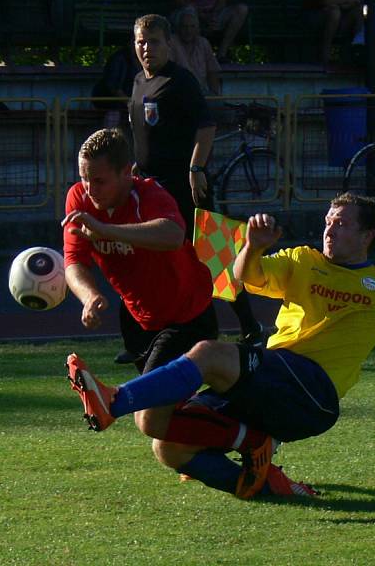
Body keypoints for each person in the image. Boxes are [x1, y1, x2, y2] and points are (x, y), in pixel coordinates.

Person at [66, 192, 375, 500]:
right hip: (271, 378)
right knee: (164, 441)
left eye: (341, 225)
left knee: (208, 353)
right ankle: (265, 480)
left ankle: (115, 400)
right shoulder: (303, 261)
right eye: (328, 221)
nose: (329, 229)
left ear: (367, 236)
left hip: (313, 393)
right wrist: (253, 245)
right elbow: (245, 277)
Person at [62, 128, 273, 471]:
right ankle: (231, 447)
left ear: (126, 173)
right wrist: (89, 296)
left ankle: (251, 440)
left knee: (148, 418)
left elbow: (172, 234)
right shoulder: (79, 198)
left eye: (98, 181)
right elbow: (74, 261)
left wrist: (105, 230)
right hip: (138, 320)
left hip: (186, 316)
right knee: (167, 418)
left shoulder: (150, 195)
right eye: (84, 178)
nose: (89, 189)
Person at [130, 13, 265, 349]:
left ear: (169, 44)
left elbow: (206, 127)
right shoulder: (138, 81)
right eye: (141, 42)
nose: (147, 48)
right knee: (159, 262)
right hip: (151, 187)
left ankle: (250, 326)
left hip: (185, 185)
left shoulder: (181, 81)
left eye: (154, 41)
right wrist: (136, 166)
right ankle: (157, 335)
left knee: (215, 257)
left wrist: (195, 169)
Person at [173, 0, 248, 63]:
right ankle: (196, 56)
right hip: (192, 15)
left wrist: (214, 16)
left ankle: (222, 54)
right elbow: (180, 0)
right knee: (189, 13)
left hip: (213, 14)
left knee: (241, 9)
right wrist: (201, 16)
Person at [302, 0, 364, 66]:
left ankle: (357, 53)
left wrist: (339, 3)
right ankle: (325, 54)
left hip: (340, 16)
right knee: (334, 12)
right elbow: (324, 0)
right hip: (315, 16)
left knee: (358, 11)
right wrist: (345, 1)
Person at [170, 5, 222, 95]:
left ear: (198, 28)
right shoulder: (171, 42)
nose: (188, 30)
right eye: (184, 26)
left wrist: (215, 95)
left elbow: (213, 71)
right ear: (178, 28)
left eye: (192, 26)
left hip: (201, 92)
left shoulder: (203, 43)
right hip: (179, 93)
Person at [91, 41, 142, 131]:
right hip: (111, 103)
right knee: (113, 115)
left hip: (129, 103)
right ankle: (108, 140)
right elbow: (114, 87)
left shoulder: (141, 60)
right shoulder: (119, 59)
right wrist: (130, 102)